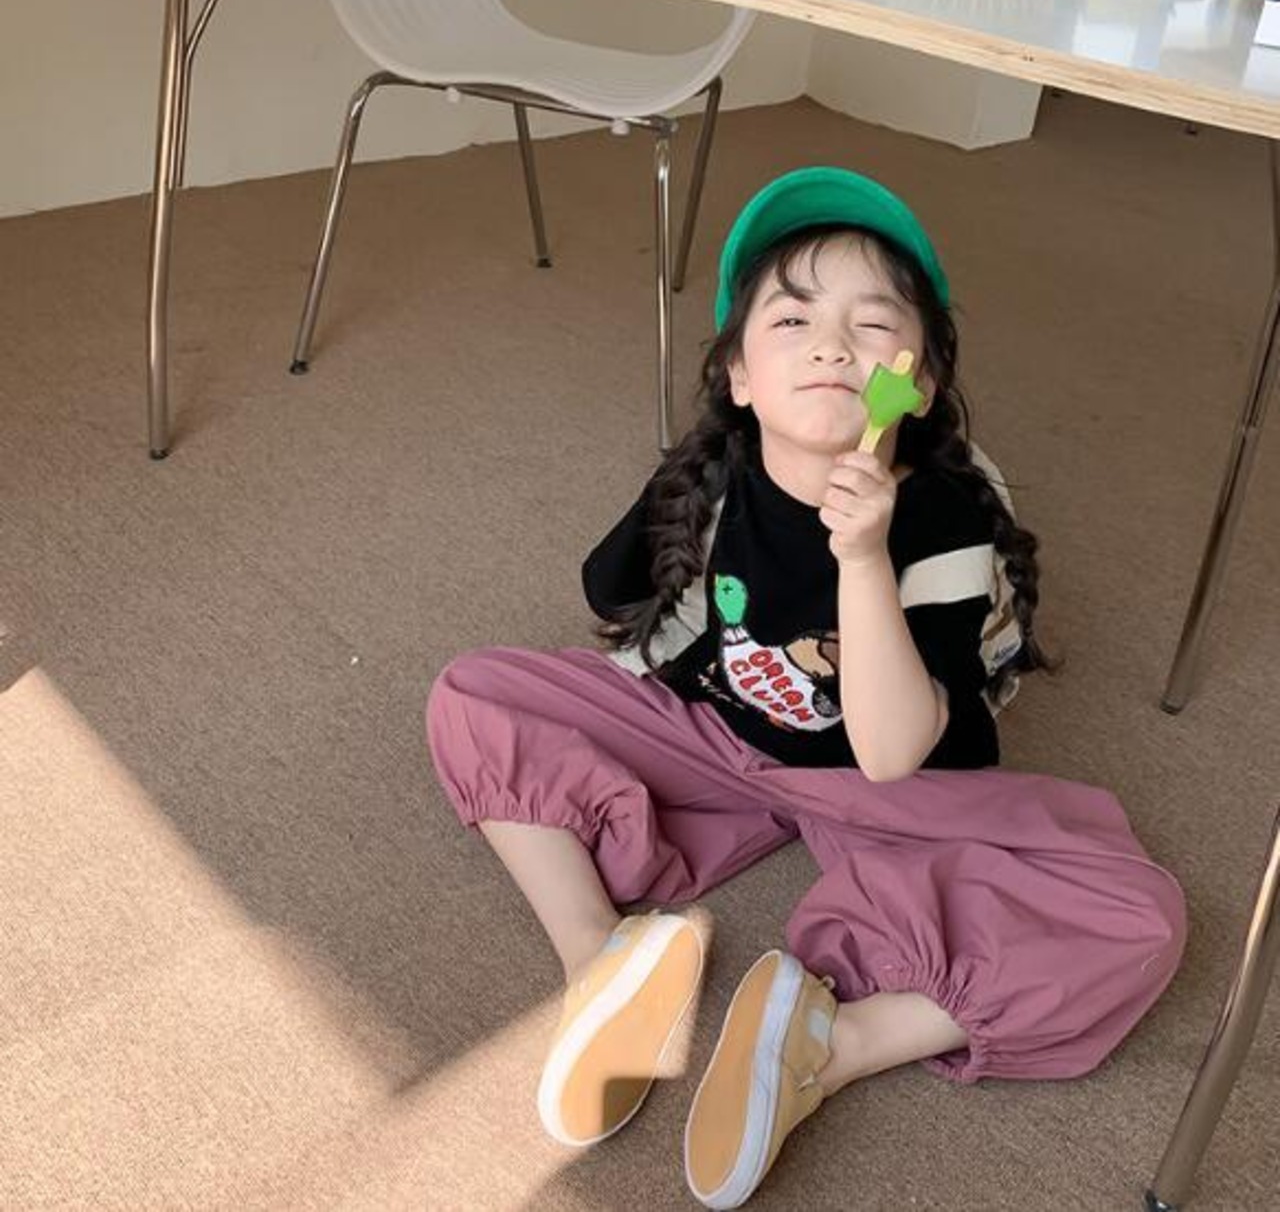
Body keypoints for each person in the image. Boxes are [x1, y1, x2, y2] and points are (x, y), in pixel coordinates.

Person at [426, 167, 1185, 1209]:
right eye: (791, 320)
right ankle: (599, 956)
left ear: (917, 385)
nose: (831, 345)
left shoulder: (943, 518)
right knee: (475, 693)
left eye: (871, 325)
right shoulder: (715, 475)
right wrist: (679, 489)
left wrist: (862, 554)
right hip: (712, 733)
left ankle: (830, 1040)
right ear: (739, 375)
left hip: (882, 781)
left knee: (1136, 914)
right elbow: (605, 590)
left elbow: (890, 750)